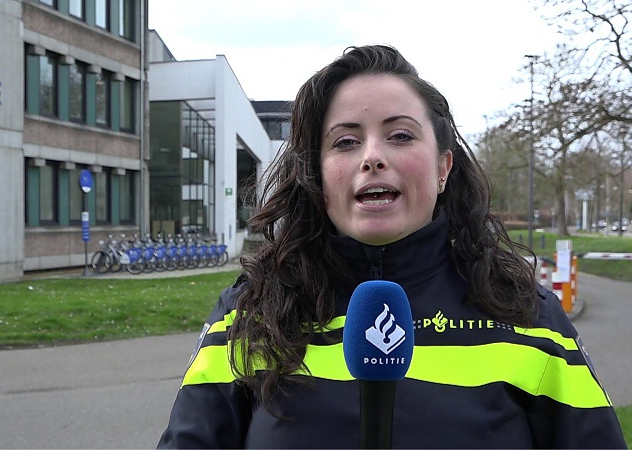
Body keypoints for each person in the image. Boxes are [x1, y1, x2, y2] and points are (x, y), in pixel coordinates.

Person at [157, 45, 626, 448]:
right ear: (318, 177)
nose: (372, 157)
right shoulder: (249, 313)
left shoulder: (528, 318)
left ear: (443, 168)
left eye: (400, 135)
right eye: (345, 142)